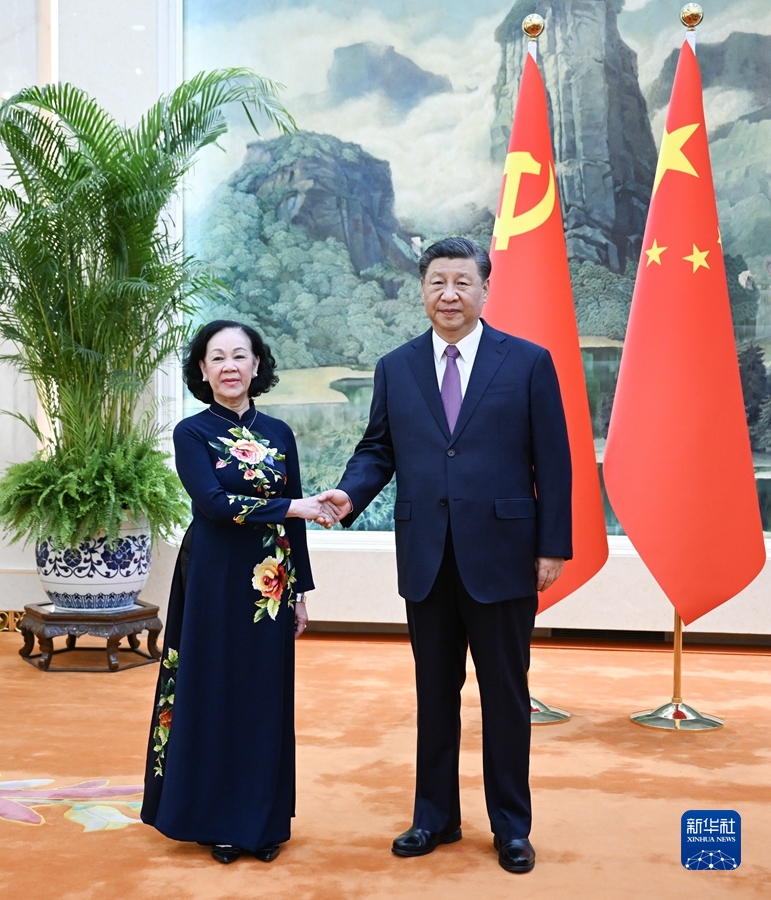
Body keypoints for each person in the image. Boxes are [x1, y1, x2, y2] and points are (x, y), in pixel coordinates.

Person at [319, 238, 572, 874]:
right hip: (426, 557)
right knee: (435, 694)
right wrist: (349, 493)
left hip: (504, 556)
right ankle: (434, 817)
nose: (449, 295)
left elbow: (555, 461)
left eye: (462, 282)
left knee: (506, 696)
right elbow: (378, 449)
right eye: (437, 282)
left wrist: (552, 546)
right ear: (423, 290)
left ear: (485, 289)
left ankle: (512, 827)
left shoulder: (528, 362)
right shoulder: (396, 367)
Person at [141, 320, 332, 864]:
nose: (229, 366)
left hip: (270, 585)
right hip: (212, 578)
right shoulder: (191, 432)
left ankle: (262, 822)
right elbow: (213, 504)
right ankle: (217, 821)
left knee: (264, 696)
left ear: (256, 365)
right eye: (217, 357)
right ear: (202, 370)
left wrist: (300, 591)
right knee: (214, 691)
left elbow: (293, 526)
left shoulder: (279, 432)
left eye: (240, 356)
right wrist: (296, 507)